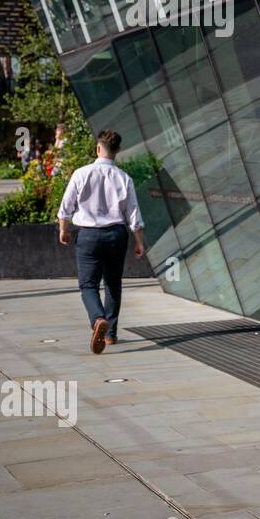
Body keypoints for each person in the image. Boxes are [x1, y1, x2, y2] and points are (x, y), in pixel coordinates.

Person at [57, 129, 147, 354]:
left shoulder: (81, 173)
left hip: (88, 235)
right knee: (113, 284)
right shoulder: (124, 178)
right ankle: (110, 334)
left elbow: (65, 208)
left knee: (88, 285)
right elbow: (134, 215)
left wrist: (64, 230)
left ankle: (98, 319)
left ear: (98, 148)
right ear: (117, 150)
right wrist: (139, 243)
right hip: (116, 234)